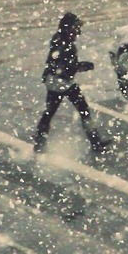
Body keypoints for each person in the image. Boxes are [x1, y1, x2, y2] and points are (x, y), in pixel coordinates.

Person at [33, 12, 108, 154]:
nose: (78, 32)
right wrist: (82, 66)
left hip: (57, 82)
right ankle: (95, 142)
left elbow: (60, 64)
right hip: (60, 83)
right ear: (68, 28)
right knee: (82, 110)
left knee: (50, 113)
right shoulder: (62, 43)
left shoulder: (61, 40)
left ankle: (40, 142)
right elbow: (64, 67)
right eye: (76, 28)